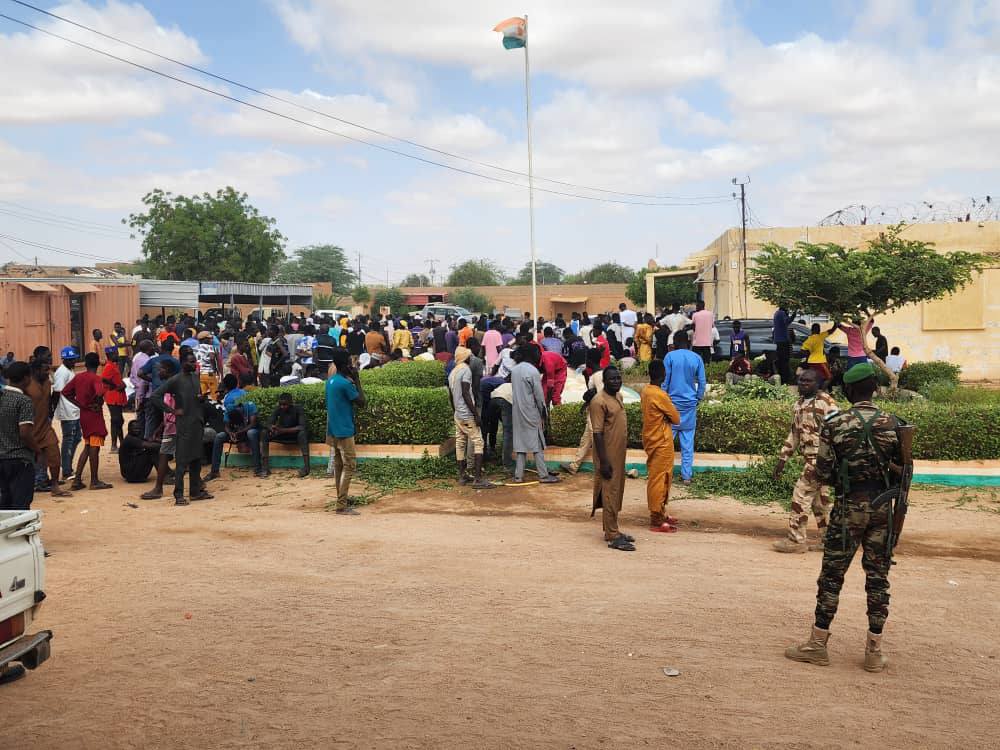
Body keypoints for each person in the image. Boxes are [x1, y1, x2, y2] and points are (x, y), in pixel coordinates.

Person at [784, 363, 903, 673]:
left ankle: (818, 645)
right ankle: (874, 651)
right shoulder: (895, 425)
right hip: (882, 510)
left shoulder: (836, 424)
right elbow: (904, 473)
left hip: (849, 508)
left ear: (848, 391)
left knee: (832, 577)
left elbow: (822, 471)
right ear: (875, 389)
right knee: (878, 580)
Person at [772, 368, 839, 553]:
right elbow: (794, 433)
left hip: (820, 460)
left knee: (800, 496)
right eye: (801, 381)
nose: (803, 384)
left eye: (808, 381)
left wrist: (831, 461)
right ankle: (831, 542)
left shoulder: (827, 403)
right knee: (821, 502)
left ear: (818, 384)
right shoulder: (799, 404)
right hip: (809, 458)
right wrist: (783, 458)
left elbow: (839, 432)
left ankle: (796, 541)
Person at [150, 350, 212, 506]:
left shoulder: (195, 377)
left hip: (197, 423)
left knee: (197, 459)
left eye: (194, 361)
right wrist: (171, 411)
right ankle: (178, 495)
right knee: (182, 461)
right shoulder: (175, 380)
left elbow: (194, 397)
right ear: (183, 362)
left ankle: (195, 492)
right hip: (184, 425)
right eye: (191, 361)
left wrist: (200, 398)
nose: (194, 364)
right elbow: (155, 396)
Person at [589, 366, 631, 550]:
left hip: (619, 453)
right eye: (612, 379)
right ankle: (612, 535)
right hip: (606, 455)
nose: (616, 381)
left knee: (616, 491)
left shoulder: (618, 397)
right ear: (604, 381)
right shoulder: (598, 402)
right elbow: (597, 433)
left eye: (618, 378)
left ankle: (612, 529)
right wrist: (604, 461)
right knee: (609, 492)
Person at [62, 352, 112, 491]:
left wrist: (80, 404)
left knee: (88, 446)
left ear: (85, 363)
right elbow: (100, 392)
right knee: (94, 448)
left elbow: (66, 392)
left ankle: (77, 479)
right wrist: (96, 401)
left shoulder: (79, 377)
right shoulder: (95, 378)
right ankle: (94, 481)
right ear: (97, 364)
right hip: (93, 415)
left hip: (84, 413)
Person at [641, 360, 681, 533]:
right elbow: (676, 418)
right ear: (662, 374)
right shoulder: (659, 394)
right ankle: (656, 518)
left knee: (659, 477)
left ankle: (661, 511)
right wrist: (667, 417)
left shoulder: (646, 391)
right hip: (661, 440)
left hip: (652, 438)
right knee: (660, 478)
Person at [325, 349, 366, 514]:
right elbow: (362, 402)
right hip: (344, 429)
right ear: (345, 364)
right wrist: (357, 380)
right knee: (350, 465)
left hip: (332, 429)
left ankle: (341, 497)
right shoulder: (345, 383)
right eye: (350, 362)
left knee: (339, 464)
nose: (352, 364)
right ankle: (341, 504)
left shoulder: (331, 381)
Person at [510, 345, 558, 485]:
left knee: (520, 443)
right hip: (531, 410)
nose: (540, 356)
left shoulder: (515, 370)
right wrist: (543, 412)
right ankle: (543, 475)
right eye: (538, 353)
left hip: (517, 410)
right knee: (537, 442)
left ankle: (518, 476)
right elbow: (538, 395)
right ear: (531, 355)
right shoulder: (533, 371)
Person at [662, 330, 705, 485]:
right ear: (687, 341)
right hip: (689, 405)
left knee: (666, 443)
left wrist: (663, 398)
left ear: (674, 342)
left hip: (671, 405)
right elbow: (701, 381)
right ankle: (687, 476)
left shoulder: (670, 357)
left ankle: (664, 474)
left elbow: (665, 381)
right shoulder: (697, 358)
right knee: (687, 444)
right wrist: (698, 398)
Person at [448, 347, 493, 489]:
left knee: (460, 443)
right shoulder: (466, 370)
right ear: (465, 357)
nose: (471, 358)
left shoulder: (452, 372)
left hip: (458, 414)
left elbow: (451, 395)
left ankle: (462, 476)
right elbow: (466, 393)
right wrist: (475, 414)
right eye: (469, 356)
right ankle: (478, 479)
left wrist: (455, 411)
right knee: (478, 442)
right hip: (467, 413)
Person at [0, 362, 39, 511]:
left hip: (1, 459)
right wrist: (37, 450)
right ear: (26, 378)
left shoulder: (2, 397)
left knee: (5, 502)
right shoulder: (23, 401)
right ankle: (20, 534)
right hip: (20, 460)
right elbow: (25, 433)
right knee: (21, 503)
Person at [206, 374, 261, 479]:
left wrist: (239, 432)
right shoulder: (230, 405)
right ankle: (214, 471)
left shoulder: (243, 398)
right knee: (219, 436)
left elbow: (253, 423)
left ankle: (258, 468)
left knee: (252, 433)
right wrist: (230, 432)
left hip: (246, 430)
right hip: (236, 432)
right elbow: (226, 424)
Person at [262, 392, 310, 478]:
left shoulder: (298, 409)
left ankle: (307, 468)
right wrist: (271, 427)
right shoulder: (278, 409)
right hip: (281, 433)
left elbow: (301, 427)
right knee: (264, 433)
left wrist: (283, 430)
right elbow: (268, 423)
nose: (282, 406)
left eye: (285, 404)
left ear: (291, 403)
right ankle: (265, 468)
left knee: (302, 434)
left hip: (294, 435)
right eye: (280, 404)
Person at [52, 346, 82, 482]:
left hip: (74, 410)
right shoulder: (61, 372)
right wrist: (52, 410)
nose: (73, 362)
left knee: (76, 438)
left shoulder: (70, 370)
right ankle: (66, 470)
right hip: (67, 411)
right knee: (68, 440)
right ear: (64, 359)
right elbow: (57, 392)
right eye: (70, 360)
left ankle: (67, 465)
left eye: (74, 359)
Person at [100, 348, 128, 453]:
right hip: (113, 397)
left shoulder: (113, 365)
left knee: (119, 420)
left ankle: (121, 443)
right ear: (110, 355)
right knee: (116, 420)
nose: (117, 354)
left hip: (117, 397)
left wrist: (122, 384)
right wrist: (115, 385)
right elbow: (103, 378)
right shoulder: (109, 366)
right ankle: (114, 445)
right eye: (115, 353)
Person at [118, 419, 158, 483]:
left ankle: (166, 472)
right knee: (152, 451)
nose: (138, 430)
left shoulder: (135, 437)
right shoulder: (130, 439)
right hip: (131, 475)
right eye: (135, 429)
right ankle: (166, 474)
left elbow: (149, 440)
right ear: (129, 429)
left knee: (152, 449)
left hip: (130, 473)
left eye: (139, 428)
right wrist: (165, 446)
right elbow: (150, 445)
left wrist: (157, 440)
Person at [195, 330, 221, 395]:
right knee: (215, 394)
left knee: (204, 394)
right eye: (210, 338)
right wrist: (215, 369)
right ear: (204, 339)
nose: (212, 340)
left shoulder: (195, 348)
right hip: (210, 373)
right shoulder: (211, 347)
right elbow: (212, 358)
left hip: (200, 374)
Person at [773, 306, 792, 384]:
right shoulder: (782, 313)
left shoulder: (776, 313)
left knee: (781, 361)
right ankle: (785, 380)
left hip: (779, 342)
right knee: (785, 362)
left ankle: (781, 379)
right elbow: (787, 321)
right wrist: (793, 315)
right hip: (783, 342)